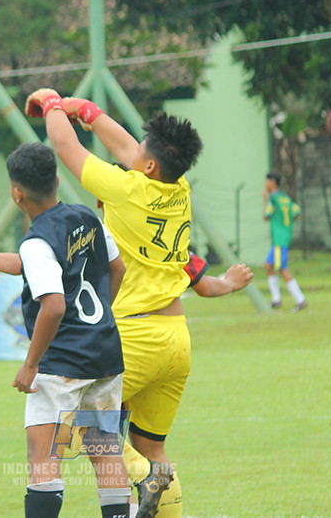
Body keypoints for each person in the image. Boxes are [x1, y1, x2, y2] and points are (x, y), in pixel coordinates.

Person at [25, 89, 202, 517]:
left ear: (149, 165)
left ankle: (141, 475)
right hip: (176, 337)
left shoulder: (127, 190)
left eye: (141, 151)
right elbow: (127, 148)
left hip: (136, 332)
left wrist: (50, 104)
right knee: (153, 447)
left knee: (83, 429)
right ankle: (150, 475)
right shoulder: (179, 188)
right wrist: (87, 111)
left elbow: (65, 147)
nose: (131, 152)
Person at [0, 142, 133, 518]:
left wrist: (30, 364)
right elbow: (117, 270)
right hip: (104, 355)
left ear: (17, 193)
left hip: (60, 366)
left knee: (44, 460)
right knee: (105, 452)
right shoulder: (86, 218)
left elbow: (53, 305)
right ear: (55, 179)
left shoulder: (38, 239)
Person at [0, 222, 252, 301]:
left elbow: (22, 262)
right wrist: (228, 282)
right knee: (150, 445)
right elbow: (203, 286)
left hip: (118, 344)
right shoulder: (164, 239)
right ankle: (152, 464)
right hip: (169, 344)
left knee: (94, 436)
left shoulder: (93, 236)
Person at [262, 172, 307, 312]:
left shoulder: (273, 200)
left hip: (279, 239)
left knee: (282, 268)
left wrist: (264, 200)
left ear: (272, 182)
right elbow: (297, 212)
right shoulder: (285, 198)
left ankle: (300, 300)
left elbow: (265, 216)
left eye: (267, 181)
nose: (265, 184)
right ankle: (276, 300)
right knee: (269, 265)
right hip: (284, 237)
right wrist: (286, 224)